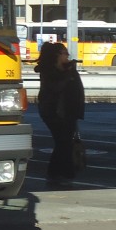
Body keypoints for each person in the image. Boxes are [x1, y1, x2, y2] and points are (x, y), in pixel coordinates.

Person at [35, 40, 85, 187]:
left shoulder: (67, 70)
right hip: (53, 111)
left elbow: (76, 91)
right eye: (65, 53)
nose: (67, 56)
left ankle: (61, 171)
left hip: (68, 111)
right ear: (57, 55)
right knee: (62, 141)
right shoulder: (48, 70)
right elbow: (55, 88)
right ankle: (58, 172)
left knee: (64, 141)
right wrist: (68, 73)